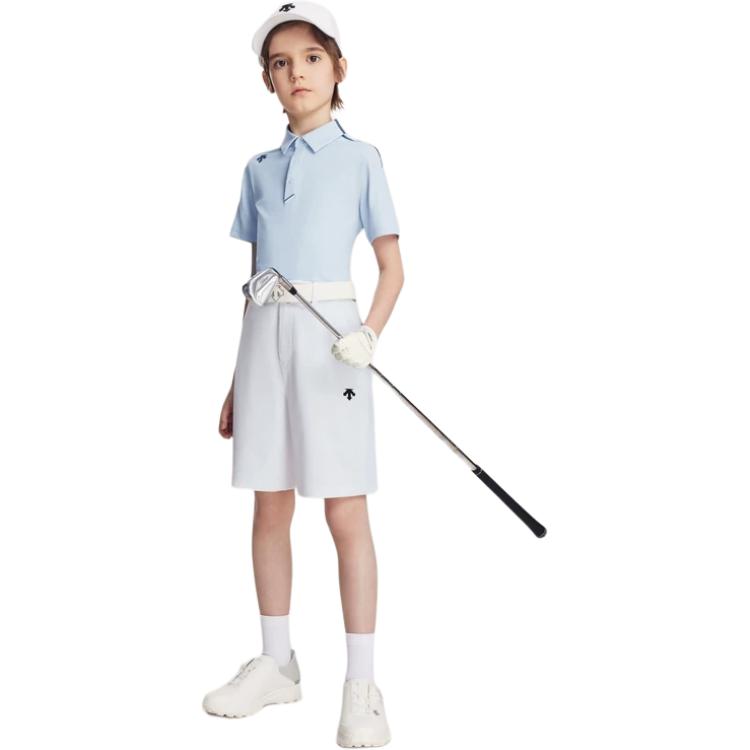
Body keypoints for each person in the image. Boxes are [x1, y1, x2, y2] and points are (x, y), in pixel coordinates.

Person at [202, 3, 404, 747]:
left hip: (332, 340)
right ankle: (277, 663)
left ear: (338, 68)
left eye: (312, 58)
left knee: (345, 510)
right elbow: (257, 276)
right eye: (281, 63)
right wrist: (237, 378)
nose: (298, 73)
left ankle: (362, 685)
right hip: (265, 341)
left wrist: (368, 333)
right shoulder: (257, 170)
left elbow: (393, 267)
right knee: (269, 504)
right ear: (268, 80)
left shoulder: (362, 159)